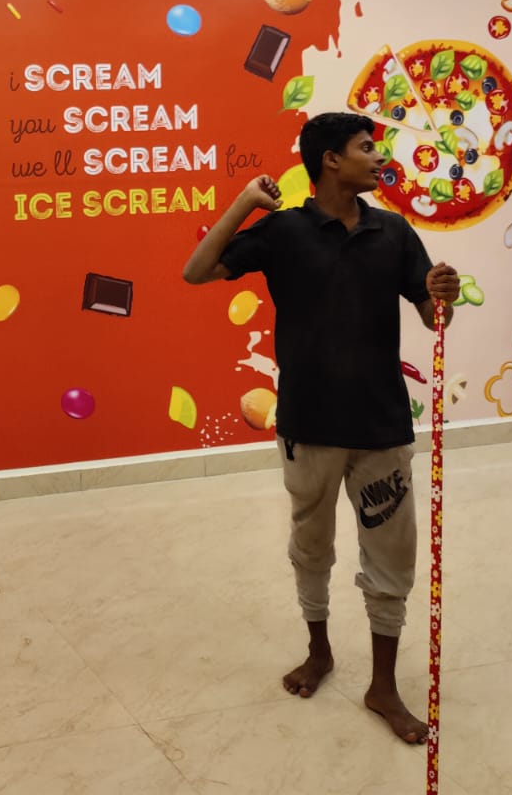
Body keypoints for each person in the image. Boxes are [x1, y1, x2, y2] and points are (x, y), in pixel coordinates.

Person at [181, 111, 460, 744]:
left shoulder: (393, 231)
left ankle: (383, 686)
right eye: (366, 147)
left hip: (382, 424)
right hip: (308, 424)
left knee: (392, 556)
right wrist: (245, 202)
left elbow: (433, 316)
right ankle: (320, 651)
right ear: (331, 160)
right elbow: (196, 271)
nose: (379, 157)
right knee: (311, 546)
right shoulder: (283, 230)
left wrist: (442, 294)